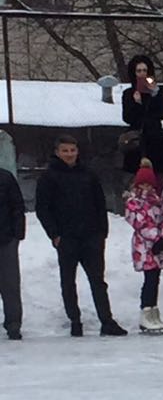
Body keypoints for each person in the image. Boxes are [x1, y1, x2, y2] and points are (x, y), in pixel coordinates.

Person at [36, 134, 125, 337]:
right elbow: (43, 209)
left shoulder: (89, 175)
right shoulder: (48, 177)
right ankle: (75, 320)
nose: (69, 154)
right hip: (66, 238)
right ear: (57, 152)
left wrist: (102, 231)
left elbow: (100, 203)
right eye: (65, 151)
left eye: (72, 150)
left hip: (92, 236)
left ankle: (107, 321)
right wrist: (54, 234)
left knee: (98, 280)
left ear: (78, 151)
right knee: (68, 281)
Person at [124, 160, 163, 334]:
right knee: (149, 279)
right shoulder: (133, 202)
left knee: (155, 278)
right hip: (144, 247)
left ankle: (153, 310)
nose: (146, 187)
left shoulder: (158, 201)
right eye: (143, 184)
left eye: (149, 184)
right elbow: (139, 223)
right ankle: (145, 312)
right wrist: (156, 237)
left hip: (158, 248)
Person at [120, 54, 163, 177]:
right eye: (139, 71)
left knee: (157, 176)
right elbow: (127, 117)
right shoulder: (128, 93)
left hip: (155, 139)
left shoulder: (160, 90)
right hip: (136, 140)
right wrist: (137, 104)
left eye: (144, 70)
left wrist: (154, 95)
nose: (142, 74)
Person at [0, 163, 23, 339]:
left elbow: (17, 206)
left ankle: (13, 324)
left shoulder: (5, 177)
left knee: (10, 285)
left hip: (6, 238)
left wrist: (17, 234)